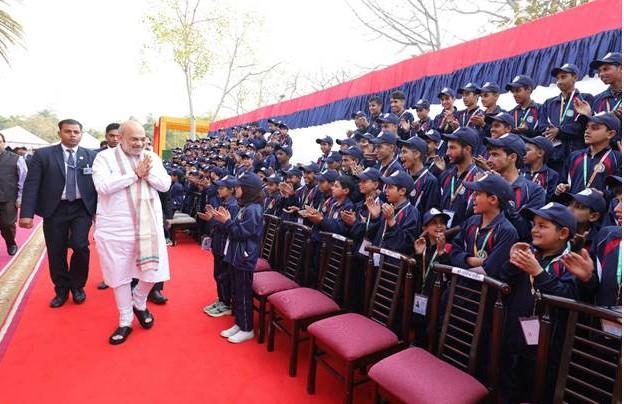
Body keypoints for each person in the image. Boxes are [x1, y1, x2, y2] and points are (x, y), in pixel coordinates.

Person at [91, 120, 172, 345]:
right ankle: (125, 320)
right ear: (120, 138)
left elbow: (165, 185)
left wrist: (147, 175)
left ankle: (139, 302)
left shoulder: (152, 157)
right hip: (116, 228)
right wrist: (134, 174)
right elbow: (103, 187)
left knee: (153, 272)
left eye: (141, 139)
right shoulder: (104, 158)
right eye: (133, 139)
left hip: (149, 227)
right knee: (119, 276)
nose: (138, 143)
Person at [19, 119, 98, 308]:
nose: (72, 135)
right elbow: (32, 184)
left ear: (81, 134)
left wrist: (100, 212)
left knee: (80, 246)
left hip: (81, 208)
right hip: (55, 209)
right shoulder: (43, 155)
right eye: (68, 131)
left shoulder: (91, 156)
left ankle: (77, 286)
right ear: (59, 133)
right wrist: (26, 213)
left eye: (76, 132)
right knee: (56, 250)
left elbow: (98, 186)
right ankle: (61, 289)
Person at [213, 172, 264, 344]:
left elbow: (241, 233)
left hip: (244, 258)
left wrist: (227, 222)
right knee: (236, 290)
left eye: (239, 187)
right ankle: (239, 323)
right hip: (235, 256)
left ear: (248, 190)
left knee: (243, 294)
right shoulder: (245, 206)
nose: (236, 190)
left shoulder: (254, 210)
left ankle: (247, 328)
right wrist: (226, 222)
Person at [450, 173, 518, 279]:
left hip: (482, 293)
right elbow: (453, 253)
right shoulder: (471, 221)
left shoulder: (507, 231)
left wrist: (461, 268)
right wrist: (469, 260)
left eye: (477, 194)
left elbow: (490, 270)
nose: (472, 197)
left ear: (493, 200)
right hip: (457, 289)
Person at [199, 175, 239, 318]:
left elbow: (230, 228)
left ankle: (226, 303)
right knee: (218, 274)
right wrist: (212, 218)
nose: (219, 190)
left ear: (232, 190)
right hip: (218, 243)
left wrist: (213, 219)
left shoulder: (234, 206)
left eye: (222, 188)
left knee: (223, 275)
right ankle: (222, 299)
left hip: (225, 246)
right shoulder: (224, 203)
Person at [0, 133, 27, 256]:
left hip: (8, 198)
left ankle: (11, 242)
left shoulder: (16, 159)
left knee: (7, 225)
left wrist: (20, 197)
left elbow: (23, 179)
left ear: (4, 143)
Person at [521, 136, 559, 201]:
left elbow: (549, 199)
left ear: (540, 153)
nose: (523, 153)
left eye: (527, 150)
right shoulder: (519, 171)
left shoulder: (551, 175)